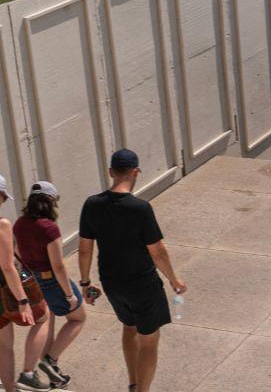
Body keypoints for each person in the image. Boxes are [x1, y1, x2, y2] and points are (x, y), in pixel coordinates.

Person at [78, 150, 187, 392]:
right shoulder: (140, 208)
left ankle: (133, 384)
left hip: (112, 283)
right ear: (136, 172)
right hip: (143, 285)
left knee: (129, 327)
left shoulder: (92, 204)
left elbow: (85, 249)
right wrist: (174, 279)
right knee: (149, 340)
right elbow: (157, 251)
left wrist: (85, 283)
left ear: (110, 172)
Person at [14, 182, 86, 388]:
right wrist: (69, 295)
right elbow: (58, 266)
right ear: (50, 202)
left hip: (31, 279)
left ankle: (48, 374)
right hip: (50, 280)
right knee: (78, 318)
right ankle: (50, 361)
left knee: (46, 325)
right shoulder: (49, 228)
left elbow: (18, 256)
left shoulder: (20, 223)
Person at [0, 174, 51, 392]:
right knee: (43, 317)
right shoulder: (2, 225)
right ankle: (28, 374)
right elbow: (8, 267)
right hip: (4, 291)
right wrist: (22, 300)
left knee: (3, 346)